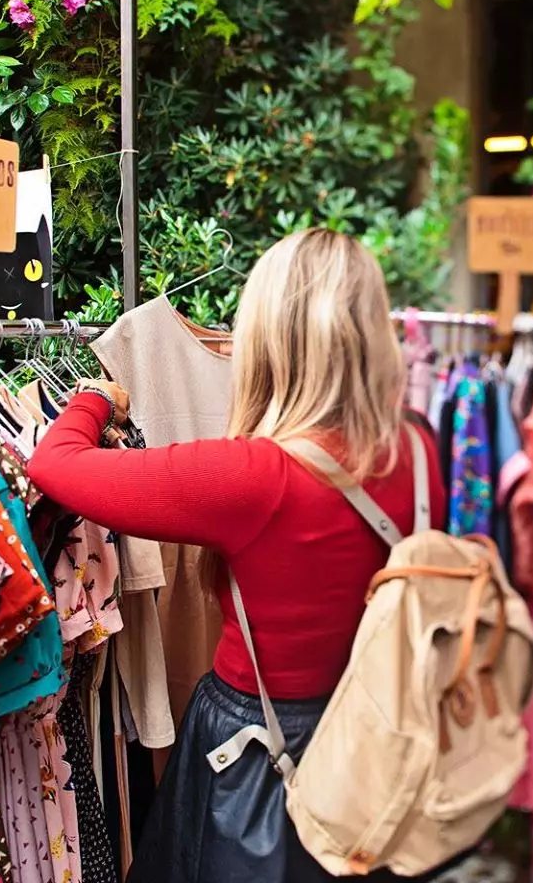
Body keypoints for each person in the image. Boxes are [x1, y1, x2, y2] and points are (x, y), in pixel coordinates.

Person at [28, 229, 449, 883]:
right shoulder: (418, 452)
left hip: (256, 752)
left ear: (268, 334)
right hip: (378, 736)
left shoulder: (251, 476)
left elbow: (55, 467)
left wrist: (96, 398)